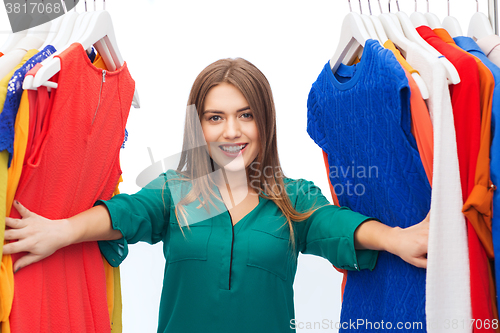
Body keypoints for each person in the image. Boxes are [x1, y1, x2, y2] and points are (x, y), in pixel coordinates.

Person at [3, 58, 429, 333]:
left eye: (245, 115)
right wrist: (61, 230)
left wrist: (397, 238)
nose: (231, 131)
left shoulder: (292, 197)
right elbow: (124, 213)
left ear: (265, 122)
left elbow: (335, 224)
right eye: (215, 117)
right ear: (199, 127)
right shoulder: (174, 192)